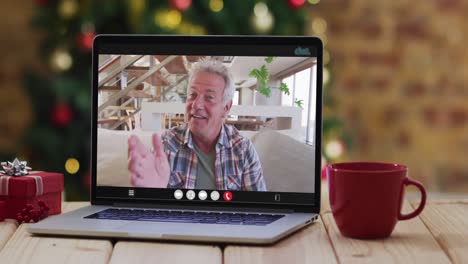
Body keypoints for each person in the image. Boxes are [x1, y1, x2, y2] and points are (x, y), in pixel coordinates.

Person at [127, 57, 266, 191]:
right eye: (192, 95)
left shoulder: (243, 149)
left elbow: (258, 209)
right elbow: (152, 206)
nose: (196, 104)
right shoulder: (166, 144)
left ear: (226, 108)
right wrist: (152, 192)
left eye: (209, 97)